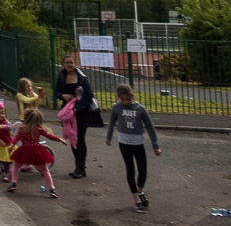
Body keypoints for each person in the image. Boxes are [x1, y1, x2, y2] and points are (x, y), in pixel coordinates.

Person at [105, 83, 161, 213]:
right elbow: (112, 122)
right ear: (119, 98)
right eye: (123, 99)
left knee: (143, 171)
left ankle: (140, 191)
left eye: (128, 99)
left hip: (138, 143)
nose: (126, 102)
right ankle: (136, 199)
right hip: (124, 143)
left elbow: (150, 127)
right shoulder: (117, 107)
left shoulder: (140, 109)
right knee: (130, 170)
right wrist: (109, 137)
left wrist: (155, 146)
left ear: (132, 96)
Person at [54, 54, 103, 179]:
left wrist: (77, 108)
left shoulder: (82, 78)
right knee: (72, 138)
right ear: (63, 64)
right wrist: (64, 96)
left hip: (82, 112)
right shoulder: (61, 76)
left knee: (80, 138)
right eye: (67, 62)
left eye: (72, 62)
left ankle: (81, 168)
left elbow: (88, 95)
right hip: (68, 112)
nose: (70, 64)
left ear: (75, 63)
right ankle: (78, 166)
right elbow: (57, 92)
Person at [7, 108, 67, 197]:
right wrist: (60, 139)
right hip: (36, 152)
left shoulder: (22, 129)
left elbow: (16, 139)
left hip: (24, 151)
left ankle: (14, 183)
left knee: (16, 166)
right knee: (45, 170)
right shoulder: (39, 129)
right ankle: (52, 189)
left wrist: (11, 146)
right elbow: (49, 136)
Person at [0, 101, 15, 182]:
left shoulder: (5, 121)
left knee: (7, 160)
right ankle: (1, 165)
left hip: (8, 142)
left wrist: (2, 126)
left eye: (3, 113)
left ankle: (6, 174)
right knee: (1, 158)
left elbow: (10, 127)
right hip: (0, 143)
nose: (1, 115)